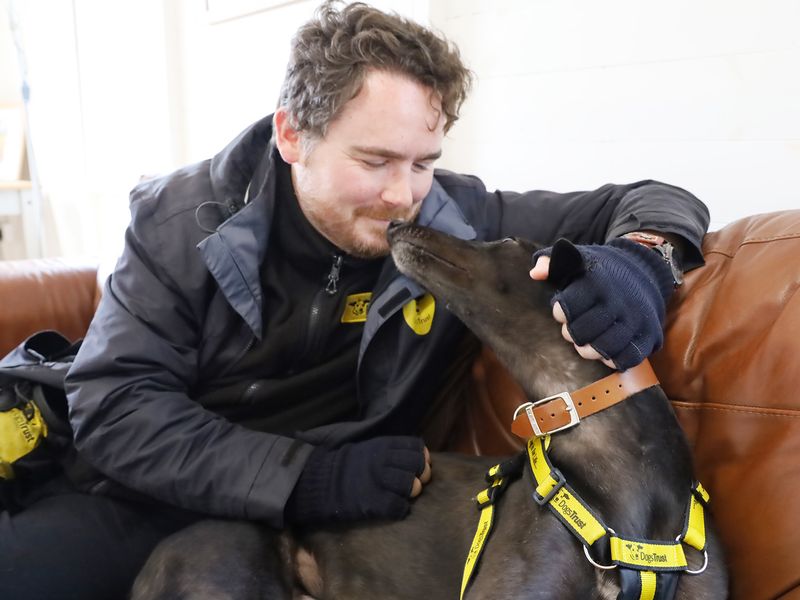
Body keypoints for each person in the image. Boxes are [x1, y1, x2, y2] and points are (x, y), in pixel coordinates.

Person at [0, 2, 709, 599]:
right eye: (374, 161)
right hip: (146, 498)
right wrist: (307, 479)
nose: (404, 196)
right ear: (292, 135)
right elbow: (118, 407)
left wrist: (642, 261)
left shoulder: (451, 225)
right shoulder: (178, 220)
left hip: (330, 530)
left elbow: (653, 198)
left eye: (424, 162)